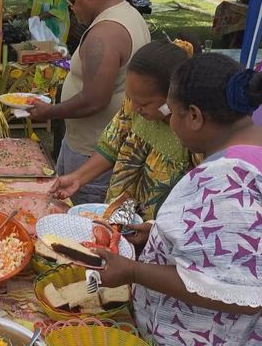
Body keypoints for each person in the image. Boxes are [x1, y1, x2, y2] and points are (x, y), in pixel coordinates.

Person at [95, 53, 262, 344]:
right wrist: (158, 234)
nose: (170, 123)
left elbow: (237, 291)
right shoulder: (248, 153)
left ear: (194, 116)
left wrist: (133, 271)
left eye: (172, 113)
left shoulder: (229, 178)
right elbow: (225, 247)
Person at [29, 0, 151, 205]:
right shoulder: (128, 13)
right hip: (93, 147)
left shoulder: (104, 33)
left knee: (83, 227)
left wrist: (49, 112)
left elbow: (94, 100)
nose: (71, 7)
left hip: (92, 154)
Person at [50, 39, 201, 220]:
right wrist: (78, 178)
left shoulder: (191, 134)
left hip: (157, 227)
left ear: (173, 96)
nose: (135, 108)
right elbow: (111, 146)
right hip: (118, 214)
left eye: (144, 103)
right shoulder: (134, 105)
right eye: (130, 98)